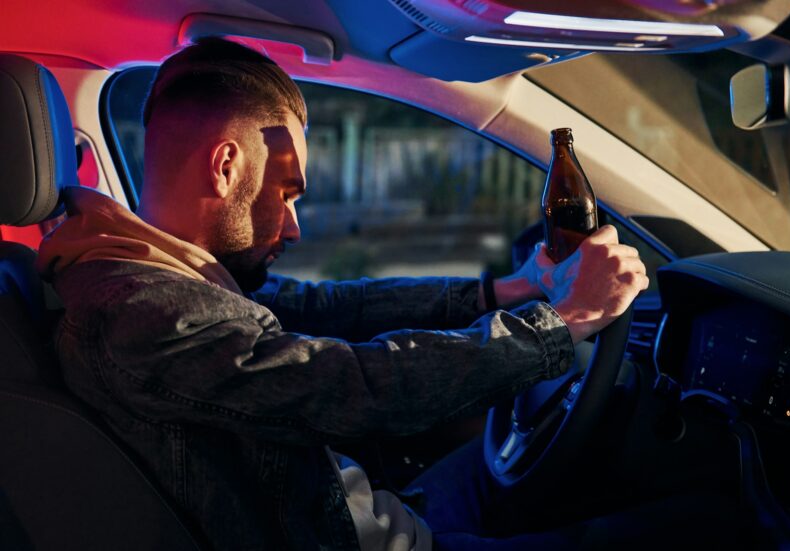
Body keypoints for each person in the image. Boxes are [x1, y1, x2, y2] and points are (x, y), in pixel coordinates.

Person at [36, 38, 648, 550]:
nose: (294, 227)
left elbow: (329, 308)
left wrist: (511, 289)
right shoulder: (142, 311)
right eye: (287, 193)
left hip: (359, 507)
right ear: (224, 167)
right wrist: (569, 319)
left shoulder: (170, 276)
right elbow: (358, 387)